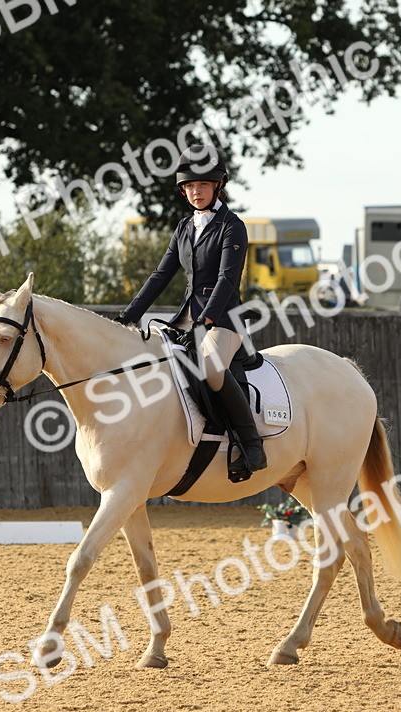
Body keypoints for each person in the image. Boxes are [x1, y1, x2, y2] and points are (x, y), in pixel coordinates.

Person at [113, 144, 267, 482]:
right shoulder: (184, 228)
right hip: (187, 317)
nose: (196, 192)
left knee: (212, 368)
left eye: (203, 186)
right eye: (190, 187)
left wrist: (206, 318)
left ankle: (252, 444)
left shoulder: (232, 226)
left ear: (217, 187)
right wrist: (127, 315)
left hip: (224, 318)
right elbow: (160, 276)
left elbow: (228, 278)